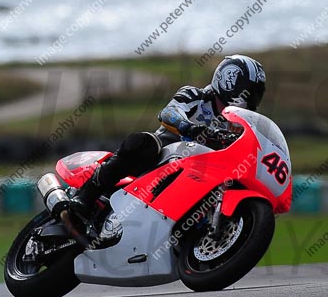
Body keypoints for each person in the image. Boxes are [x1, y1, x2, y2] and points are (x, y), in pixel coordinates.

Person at [74, 54, 266, 211]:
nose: (252, 98)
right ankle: (86, 195)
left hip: (201, 175)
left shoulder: (241, 124)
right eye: (249, 91)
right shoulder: (196, 96)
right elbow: (168, 113)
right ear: (229, 81)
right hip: (162, 158)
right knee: (144, 142)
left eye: (256, 93)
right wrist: (189, 127)